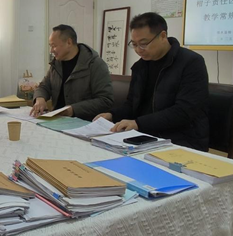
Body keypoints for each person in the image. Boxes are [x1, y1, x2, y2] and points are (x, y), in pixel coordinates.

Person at [94, 12, 209, 151]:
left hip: (181, 140)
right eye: (134, 44)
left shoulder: (191, 62)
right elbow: (132, 104)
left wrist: (139, 123)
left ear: (162, 36)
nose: (138, 50)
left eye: (143, 44)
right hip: (145, 136)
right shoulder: (140, 66)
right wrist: (112, 115)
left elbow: (184, 111)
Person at [30, 24, 113, 121]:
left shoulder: (94, 64)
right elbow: (44, 86)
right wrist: (40, 98)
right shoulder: (56, 64)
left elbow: (105, 100)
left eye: (54, 46)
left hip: (83, 122)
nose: (51, 50)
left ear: (69, 42)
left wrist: (73, 109)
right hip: (57, 120)